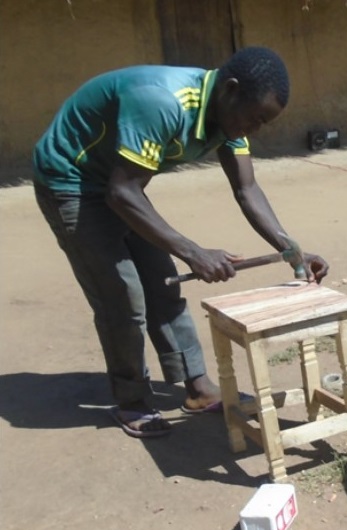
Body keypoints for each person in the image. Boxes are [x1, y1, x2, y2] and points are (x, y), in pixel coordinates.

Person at [32, 46, 328, 438]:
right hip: (71, 181)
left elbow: (247, 188)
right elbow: (121, 194)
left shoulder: (230, 120)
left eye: (264, 123)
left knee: (162, 284)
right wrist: (193, 252)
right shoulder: (163, 102)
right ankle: (132, 399)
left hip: (121, 183)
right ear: (231, 90)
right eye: (256, 119)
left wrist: (292, 250)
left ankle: (196, 386)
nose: (256, 129)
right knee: (121, 296)